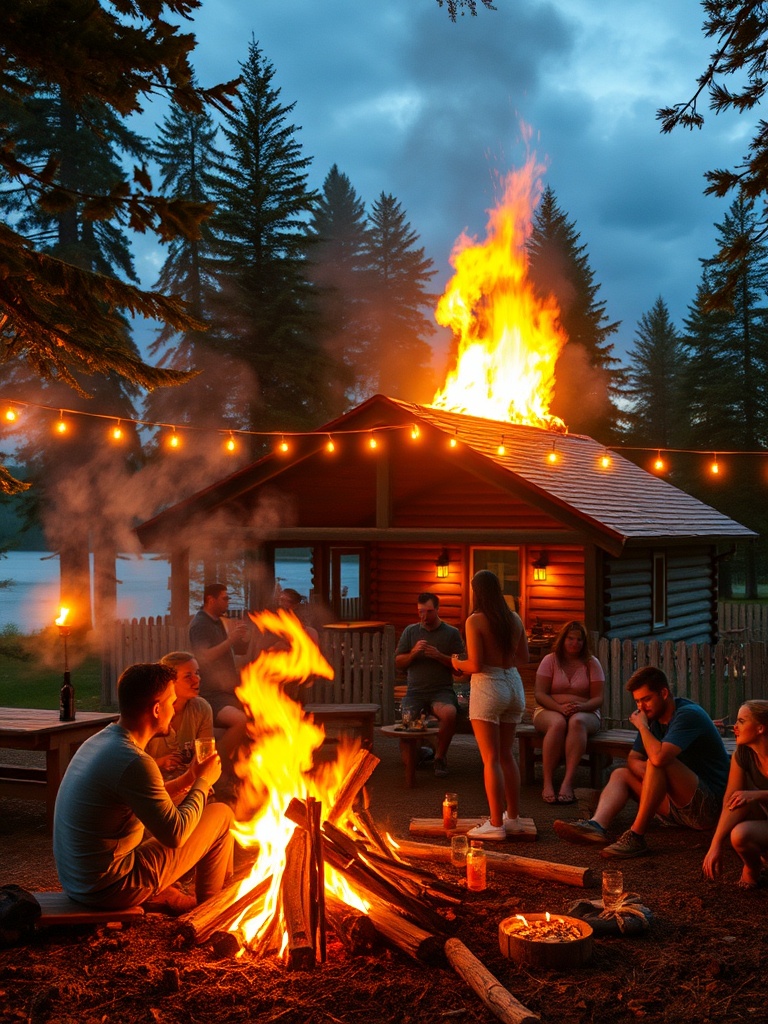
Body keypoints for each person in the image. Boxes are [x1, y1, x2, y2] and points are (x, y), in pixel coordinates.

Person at [53, 662, 234, 913]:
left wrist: (188, 779)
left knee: (190, 805)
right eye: (172, 703)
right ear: (157, 709)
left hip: (80, 882)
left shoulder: (102, 741)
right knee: (222, 814)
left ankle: (189, 897)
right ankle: (209, 910)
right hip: (109, 888)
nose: (174, 709)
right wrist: (204, 782)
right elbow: (175, 835)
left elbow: (142, 798)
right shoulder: (135, 761)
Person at [554, 666, 730, 858]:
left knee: (657, 761)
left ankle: (636, 836)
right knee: (621, 774)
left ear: (663, 693)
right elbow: (633, 759)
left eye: (646, 699)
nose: (641, 707)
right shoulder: (652, 718)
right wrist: (653, 779)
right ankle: (596, 825)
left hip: (707, 808)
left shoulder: (687, 715)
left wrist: (643, 728)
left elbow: (659, 758)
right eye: (638, 701)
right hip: (675, 807)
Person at [451, 570, 530, 840]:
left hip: (489, 685)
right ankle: (514, 818)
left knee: (491, 759)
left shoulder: (475, 621)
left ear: (476, 591)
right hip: (514, 685)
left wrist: (455, 662)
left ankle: (496, 824)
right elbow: (524, 657)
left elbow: (474, 664)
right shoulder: (514, 619)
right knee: (507, 755)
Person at [533, 621, 604, 805]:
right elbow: (540, 694)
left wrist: (581, 707)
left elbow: (598, 698)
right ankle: (547, 782)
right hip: (549, 709)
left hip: (586, 712)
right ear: (563, 639)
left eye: (579, 640)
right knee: (557, 723)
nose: (575, 643)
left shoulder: (592, 663)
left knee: (576, 722)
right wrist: (559, 708)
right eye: (570, 638)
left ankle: (567, 782)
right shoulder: (550, 660)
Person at [395, 592, 465, 777]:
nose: (424, 617)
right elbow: (398, 662)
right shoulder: (411, 631)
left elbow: (460, 669)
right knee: (409, 754)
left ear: (438, 609)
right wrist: (413, 653)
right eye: (420, 612)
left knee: (449, 713)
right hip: (415, 692)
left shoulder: (451, 633)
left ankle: (440, 758)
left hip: (441, 691)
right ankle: (422, 752)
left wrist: (440, 656)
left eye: (429, 612)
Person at [703, 700, 768, 888]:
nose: (734, 727)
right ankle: (753, 867)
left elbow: (750, 796)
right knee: (739, 834)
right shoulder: (743, 754)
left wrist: (757, 795)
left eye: (741, 721)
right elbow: (730, 799)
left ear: (760, 728)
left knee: (747, 795)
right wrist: (716, 844)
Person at [189, 583, 250, 767]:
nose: (228, 602)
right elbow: (205, 656)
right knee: (240, 721)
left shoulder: (218, 622)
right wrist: (230, 640)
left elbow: (235, 651)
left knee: (262, 716)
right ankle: (218, 766)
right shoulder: (200, 624)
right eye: (225, 598)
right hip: (210, 695)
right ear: (210, 599)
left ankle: (245, 771)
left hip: (227, 692)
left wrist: (241, 639)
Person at [145, 651, 213, 786]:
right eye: (188, 676)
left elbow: (206, 755)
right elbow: (130, 764)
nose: (197, 679)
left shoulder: (201, 708)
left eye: (197, 673)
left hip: (189, 785)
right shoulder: (149, 712)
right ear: (170, 682)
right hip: (155, 788)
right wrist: (160, 762)